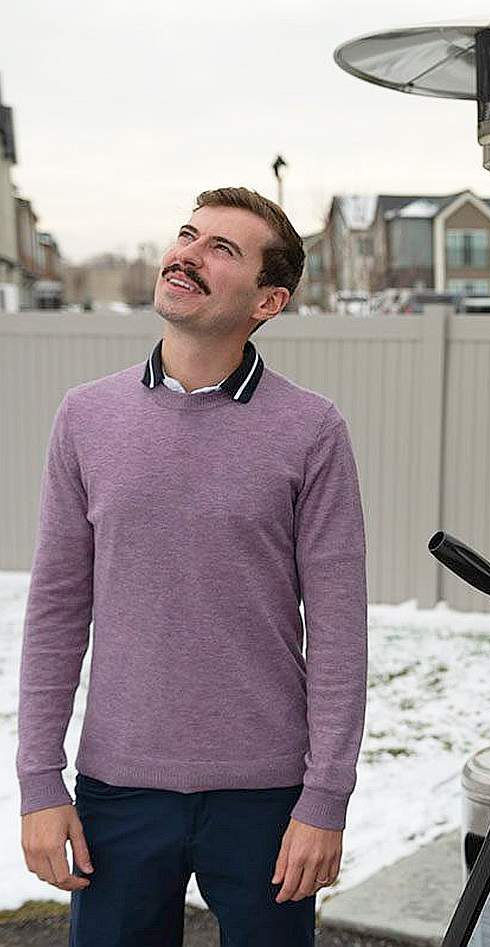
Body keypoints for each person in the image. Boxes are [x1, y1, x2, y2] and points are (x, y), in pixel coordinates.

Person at [17, 187, 367, 947]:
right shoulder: (86, 417)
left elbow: (339, 630)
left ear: (268, 300)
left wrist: (325, 797)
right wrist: (40, 782)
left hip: (268, 796)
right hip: (118, 788)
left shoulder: (311, 430)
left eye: (221, 249)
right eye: (188, 235)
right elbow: (54, 609)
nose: (187, 253)